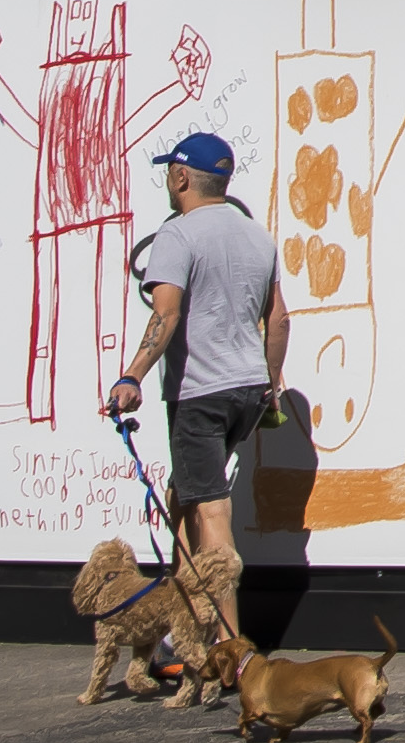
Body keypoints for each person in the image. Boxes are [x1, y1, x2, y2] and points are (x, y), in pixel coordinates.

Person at [105, 127, 289, 628]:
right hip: (248, 392)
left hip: (199, 395)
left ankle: (227, 642)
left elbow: (164, 317)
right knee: (183, 494)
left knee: (211, 513)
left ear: (182, 177)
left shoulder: (177, 234)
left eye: (170, 171)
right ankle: (180, 624)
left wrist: (131, 377)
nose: (169, 178)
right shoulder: (259, 236)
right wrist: (271, 388)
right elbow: (279, 321)